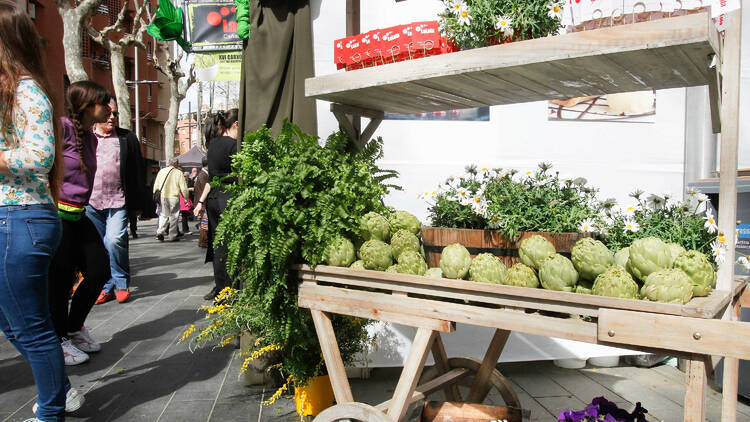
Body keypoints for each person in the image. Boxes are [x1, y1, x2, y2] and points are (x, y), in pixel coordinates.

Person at [0, 1, 84, 419]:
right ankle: (60, 391)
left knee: (31, 329)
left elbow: (39, 156)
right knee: (15, 325)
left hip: (20, 218)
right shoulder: (11, 91)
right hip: (14, 219)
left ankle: (50, 411)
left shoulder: (28, 91)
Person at [48, 81, 112, 368]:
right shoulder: (61, 127)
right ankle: (59, 339)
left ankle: (74, 328)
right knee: (60, 282)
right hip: (57, 215)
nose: (110, 109)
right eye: (104, 102)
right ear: (86, 105)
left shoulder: (91, 138)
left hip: (79, 214)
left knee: (99, 271)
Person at [86, 98, 146, 305]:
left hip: (118, 200)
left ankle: (121, 283)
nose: (112, 117)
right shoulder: (85, 137)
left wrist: (138, 203)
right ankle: (107, 287)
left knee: (114, 240)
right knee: (100, 247)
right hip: (91, 202)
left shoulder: (126, 138)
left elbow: (138, 171)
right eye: (108, 112)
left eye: (116, 114)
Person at [194, 109, 238, 301]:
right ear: (235, 125)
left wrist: (201, 202)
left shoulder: (213, 145)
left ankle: (221, 287)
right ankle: (232, 288)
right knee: (231, 245)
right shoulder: (234, 146)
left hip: (213, 199)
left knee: (218, 244)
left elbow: (211, 178)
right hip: (228, 199)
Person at [153, 158, 189, 241]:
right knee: (174, 216)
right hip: (174, 196)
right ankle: (172, 235)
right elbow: (183, 188)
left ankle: (160, 232)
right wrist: (186, 198)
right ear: (176, 164)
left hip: (162, 196)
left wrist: (155, 195)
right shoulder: (178, 173)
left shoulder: (161, 171)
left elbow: (156, 185)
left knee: (163, 215)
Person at [193, 157, 210, 248]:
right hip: (202, 202)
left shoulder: (202, 174)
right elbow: (204, 189)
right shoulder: (203, 175)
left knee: (204, 222)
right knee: (204, 223)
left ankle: (203, 241)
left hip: (201, 202)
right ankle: (203, 241)